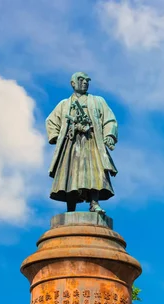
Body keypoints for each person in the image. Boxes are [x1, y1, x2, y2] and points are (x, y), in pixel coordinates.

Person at [46, 72, 118, 214]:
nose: (85, 83)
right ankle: (70, 208)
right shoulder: (65, 104)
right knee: (70, 173)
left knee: (94, 171)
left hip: (91, 141)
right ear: (73, 83)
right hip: (71, 143)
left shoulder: (97, 101)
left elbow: (109, 119)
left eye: (87, 81)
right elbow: (51, 120)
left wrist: (109, 135)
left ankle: (94, 203)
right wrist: (55, 135)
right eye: (81, 80)